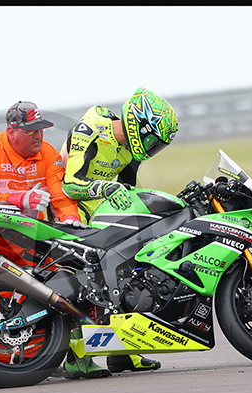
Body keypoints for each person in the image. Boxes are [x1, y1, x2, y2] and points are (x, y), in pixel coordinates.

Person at [61, 87, 179, 377]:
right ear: (138, 124)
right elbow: (70, 183)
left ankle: (122, 352)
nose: (152, 148)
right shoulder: (89, 130)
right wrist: (103, 187)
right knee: (87, 280)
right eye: (153, 140)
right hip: (65, 206)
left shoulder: (131, 150)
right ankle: (75, 357)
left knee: (129, 270)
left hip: (97, 210)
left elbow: (128, 190)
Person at [0, 101, 83, 280]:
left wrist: (70, 217)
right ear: (11, 132)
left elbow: (60, 194)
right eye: (31, 131)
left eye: (41, 130)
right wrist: (18, 199)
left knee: (48, 290)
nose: (38, 136)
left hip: (24, 235)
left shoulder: (49, 153)